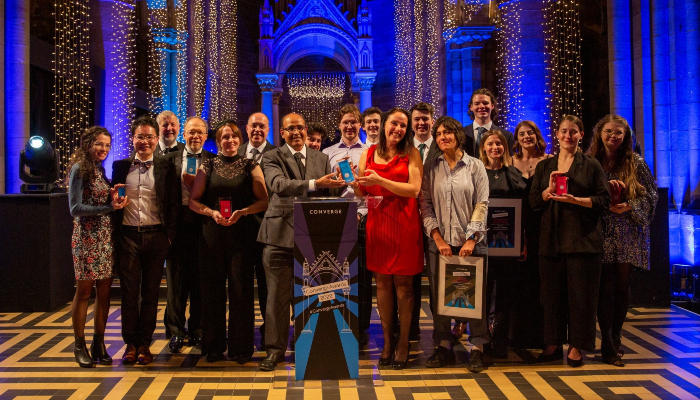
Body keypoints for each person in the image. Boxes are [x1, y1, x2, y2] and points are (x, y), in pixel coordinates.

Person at [257, 113, 346, 371]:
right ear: (282, 133)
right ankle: (274, 351)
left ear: (306, 130)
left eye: (299, 128)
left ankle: (309, 344)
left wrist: (340, 183)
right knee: (276, 298)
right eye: (289, 129)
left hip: (314, 238)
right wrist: (315, 183)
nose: (295, 132)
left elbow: (328, 193)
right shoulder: (272, 156)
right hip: (278, 237)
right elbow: (277, 185)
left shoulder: (322, 158)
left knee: (312, 297)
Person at [529, 115, 610, 367]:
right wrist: (546, 192)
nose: (568, 136)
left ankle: (577, 346)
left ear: (581, 135)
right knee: (551, 297)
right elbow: (532, 203)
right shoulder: (545, 166)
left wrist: (577, 201)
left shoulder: (591, 164)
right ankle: (552, 343)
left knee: (581, 297)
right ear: (557, 134)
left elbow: (604, 200)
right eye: (564, 131)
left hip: (582, 241)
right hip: (551, 241)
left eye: (573, 132)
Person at [189, 121, 269, 363]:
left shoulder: (251, 165)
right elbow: (194, 200)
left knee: (240, 290)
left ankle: (241, 348)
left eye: (234, 137)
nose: (230, 141)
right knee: (212, 291)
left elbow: (264, 201)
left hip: (242, 235)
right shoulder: (208, 164)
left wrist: (243, 212)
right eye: (225, 137)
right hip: (212, 235)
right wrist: (210, 213)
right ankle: (213, 346)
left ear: (239, 139)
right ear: (217, 141)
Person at [350, 107, 423, 370]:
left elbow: (414, 190)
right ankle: (388, 342)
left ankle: (404, 342)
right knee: (381, 283)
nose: (399, 129)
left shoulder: (411, 153)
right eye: (394, 123)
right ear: (384, 125)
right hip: (378, 223)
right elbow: (361, 194)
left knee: (404, 286)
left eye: (403, 126)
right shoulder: (367, 153)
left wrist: (380, 178)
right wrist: (352, 181)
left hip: (404, 222)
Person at [419, 116, 490, 372]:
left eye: (447, 133)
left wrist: (471, 239)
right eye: (438, 134)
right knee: (440, 299)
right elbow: (425, 204)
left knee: (473, 297)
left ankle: (478, 348)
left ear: (458, 135)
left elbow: (482, 204)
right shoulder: (431, 167)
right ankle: (443, 347)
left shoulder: (475, 166)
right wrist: (437, 238)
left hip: (471, 243)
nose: (442, 137)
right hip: (440, 244)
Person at [589, 115, 658, 367]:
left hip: (627, 230)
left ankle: (615, 335)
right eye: (608, 131)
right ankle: (607, 343)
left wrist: (629, 205)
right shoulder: (591, 161)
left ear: (626, 136)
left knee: (621, 286)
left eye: (618, 132)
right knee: (604, 287)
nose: (613, 136)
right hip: (600, 229)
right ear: (600, 133)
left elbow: (651, 196)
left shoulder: (635, 162)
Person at [112, 116, 179, 365]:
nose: (145, 141)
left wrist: (169, 236)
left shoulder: (166, 166)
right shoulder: (120, 167)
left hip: (156, 236)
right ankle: (129, 342)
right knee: (129, 294)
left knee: (150, 294)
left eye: (150, 137)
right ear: (133, 139)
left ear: (156, 138)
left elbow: (172, 204)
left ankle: (144, 344)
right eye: (140, 136)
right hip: (128, 235)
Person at [68, 126, 129, 368]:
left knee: (104, 293)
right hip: (86, 238)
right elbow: (75, 209)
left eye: (106, 145)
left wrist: (112, 196)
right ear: (88, 144)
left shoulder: (100, 170)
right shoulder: (79, 169)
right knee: (84, 292)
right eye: (99, 144)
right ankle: (79, 345)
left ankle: (99, 344)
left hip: (106, 237)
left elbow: (99, 200)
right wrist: (108, 208)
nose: (103, 149)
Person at [162, 116, 215, 353]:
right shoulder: (168, 159)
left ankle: (197, 330)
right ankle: (175, 331)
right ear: (184, 134)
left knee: (200, 279)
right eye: (191, 132)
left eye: (200, 132)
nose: (195, 136)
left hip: (203, 225)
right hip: (177, 225)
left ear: (205, 136)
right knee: (175, 281)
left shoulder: (213, 160)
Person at [323, 104, 371, 346]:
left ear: (360, 124)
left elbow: (372, 189)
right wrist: (341, 181)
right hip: (336, 218)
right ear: (339, 125)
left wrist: (361, 213)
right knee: (337, 275)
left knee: (361, 277)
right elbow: (323, 189)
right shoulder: (328, 153)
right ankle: (337, 322)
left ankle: (361, 329)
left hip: (364, 217)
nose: (350, 126)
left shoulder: (370, 151)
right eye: (345, 122)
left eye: (354, 122)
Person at [479, 129, 526, 358]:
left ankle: (499, 338)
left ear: (504, 148)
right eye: (490, 144)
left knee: (505, 293)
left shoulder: (514, 174)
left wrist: (522, 240)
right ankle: (482, 339)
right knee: (483, 292)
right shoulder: (476, 174)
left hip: (508, 244)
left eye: (499, 144)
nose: (495, 147)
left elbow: (523, 209)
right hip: (481, 243)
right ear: (483, 148)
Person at [237, 112, 276, 350]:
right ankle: (243, 332)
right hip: (240, 230)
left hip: (269, 229)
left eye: (262, 126)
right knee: (241, 284)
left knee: (266, 285)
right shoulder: (235, 152)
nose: (257, 130)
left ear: (268, 129)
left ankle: (269, 329)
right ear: (247, 128)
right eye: (254, 126)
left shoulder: (277, 155)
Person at [510, 120, 551, 349]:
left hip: (542, 225)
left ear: (537, 136)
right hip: (517, 225)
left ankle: (541, 335)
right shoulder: (510, 162)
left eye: (531, 133)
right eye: (522, 134)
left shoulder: (549, 162)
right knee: (518, 281)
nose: (527, 137)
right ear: (517, 138)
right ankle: (517, 335)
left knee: (541, 281)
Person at [462, 88, 514, 158]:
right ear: (471, 107)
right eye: (477, 104)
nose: (481, 106)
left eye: (485, 103)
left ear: (492, 106)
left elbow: (509, 163)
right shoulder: (461, 134)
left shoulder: (506, 136)